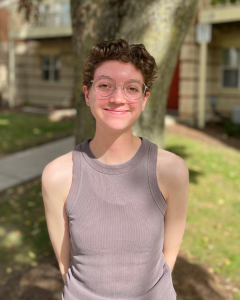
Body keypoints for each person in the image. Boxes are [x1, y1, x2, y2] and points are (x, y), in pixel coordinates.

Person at [41, 39, 188, 300]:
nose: (118, 98)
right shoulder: (57, 176)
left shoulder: (172, 171)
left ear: (144, 100)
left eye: (132, 88)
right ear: (88, 94)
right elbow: (67, 266)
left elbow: (169, 258)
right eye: (105, 85)